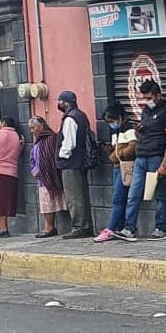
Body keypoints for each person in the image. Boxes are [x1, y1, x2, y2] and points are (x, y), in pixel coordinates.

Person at [126, 80, 166, 239]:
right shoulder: (146, 111)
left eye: (149, 97)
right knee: (134, 194)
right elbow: (143, 133)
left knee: (160, 195)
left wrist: (164, 163)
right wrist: (139, 131)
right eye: (145, 98)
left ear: (158, 95)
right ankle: (129, 228)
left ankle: (160, 228)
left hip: (156, 157)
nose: (147, 101)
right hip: (141, 157)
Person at [56, 90, 96, 239]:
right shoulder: (81, 115)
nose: (58, 104)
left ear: (65, 103)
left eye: (59, 101)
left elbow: (69, 143)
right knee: (82, 194)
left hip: (71, 162)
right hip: (80, 162)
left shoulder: (70, 119)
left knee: (74, 196)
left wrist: (61, 156)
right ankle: (86, 225)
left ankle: (80, 226)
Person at [96, 103, 137, 243]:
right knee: (119, 198)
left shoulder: (128, 129)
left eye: (111, 121)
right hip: (116, 167)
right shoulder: (116, 131)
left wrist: (118, 154)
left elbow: (133, 146)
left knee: (118, 199)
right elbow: (116, 147)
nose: (111, 124)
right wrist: (111, 151)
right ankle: (119, 226)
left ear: (119, 117)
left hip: (125, 167)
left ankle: (111, 228)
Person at [31, 115, 65, 238]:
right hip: (41, 177)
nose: (31, 131)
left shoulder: (51, 139)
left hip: (50, 175)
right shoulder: (38, 142)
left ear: (41, 127)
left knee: (49, 202)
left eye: (33, 127)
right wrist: (34, 170)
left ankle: (50, 226)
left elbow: (51, 157)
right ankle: (48, 225)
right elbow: (33, 158)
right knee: (45, 203)